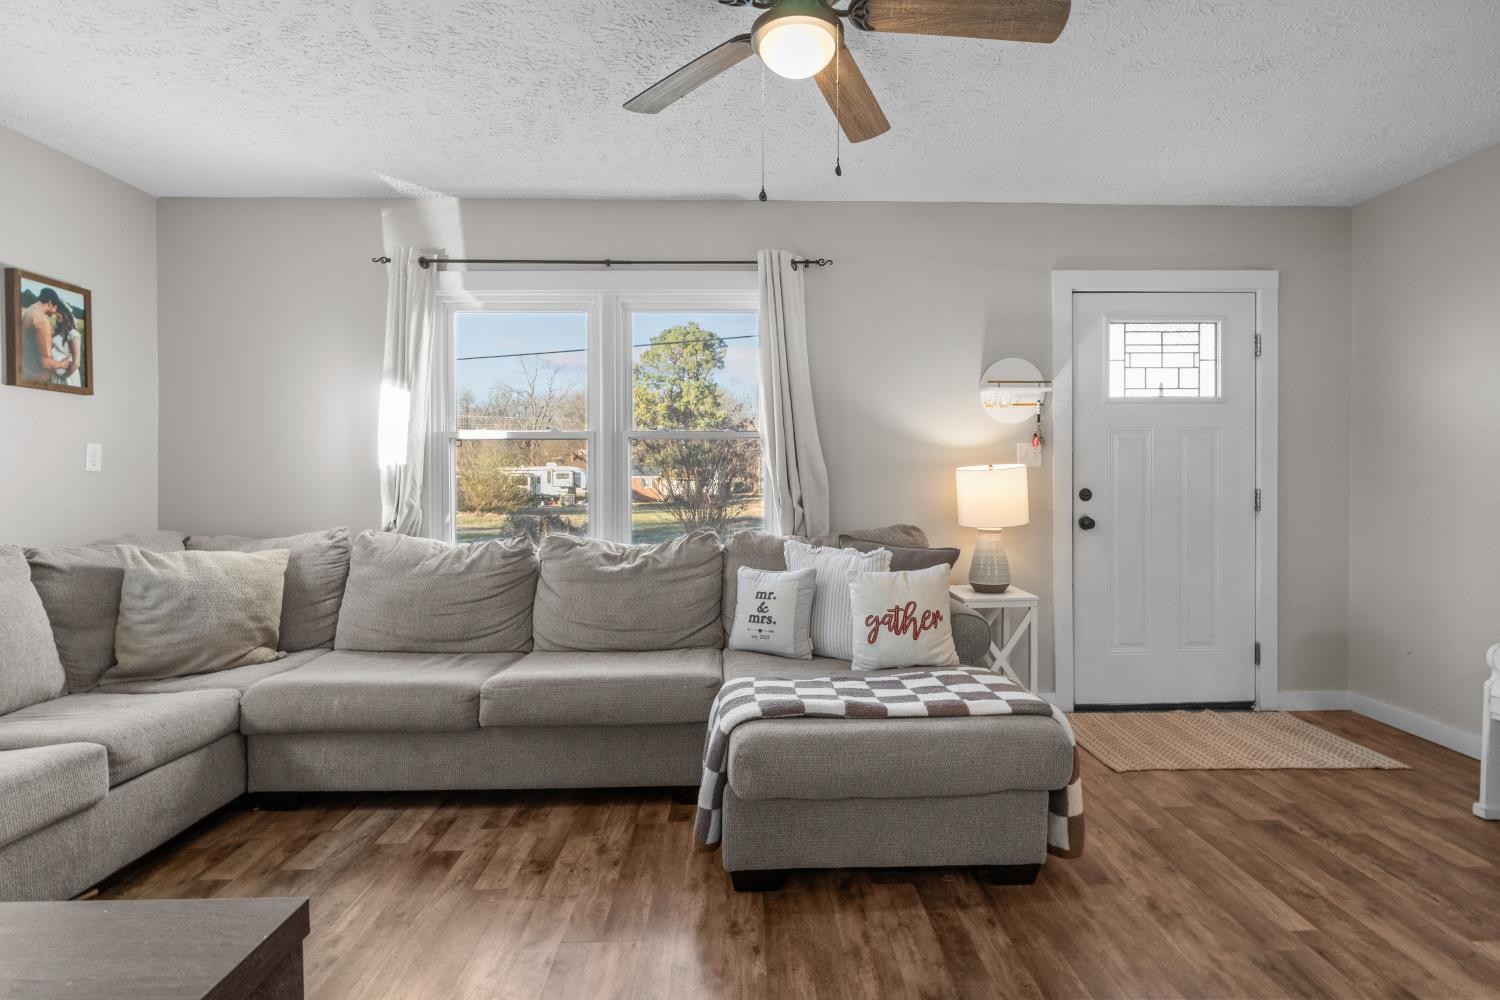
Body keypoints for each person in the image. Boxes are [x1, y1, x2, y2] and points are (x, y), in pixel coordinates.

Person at [18, 287, 75, 383]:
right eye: (56, 307)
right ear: (50, 303)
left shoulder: (30, 310)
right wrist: (62, 364)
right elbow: (46, 363)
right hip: (39, 377)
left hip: (27, 370)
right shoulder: (42, 321)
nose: (56, 311)